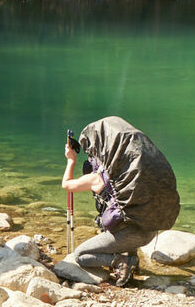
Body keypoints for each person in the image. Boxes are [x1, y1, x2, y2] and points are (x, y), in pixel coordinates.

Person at [59, 117, 181, 287]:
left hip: (131, 235)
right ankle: (133, 260)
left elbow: (67, 185)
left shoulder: (96, 178)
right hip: (150, 228)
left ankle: (122, 262)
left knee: (81, 255)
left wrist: (71, 159)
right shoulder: (128, 174)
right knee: (121, 214)